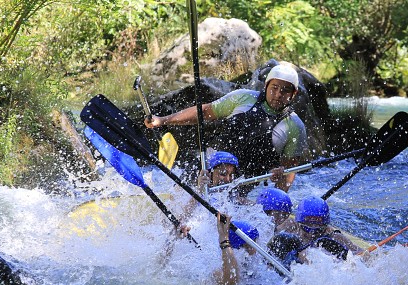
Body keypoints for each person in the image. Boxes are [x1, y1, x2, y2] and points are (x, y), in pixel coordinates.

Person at [144, 63, 308, 194]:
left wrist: (277, 204)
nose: (278, 94)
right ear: (266, 86)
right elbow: (204, 112)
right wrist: (163, 120)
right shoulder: (243, 97)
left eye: (285, 90)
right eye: (274, 88)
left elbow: (288, 174)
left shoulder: (295, 126)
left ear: (294, 93)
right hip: (208, 170)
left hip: (240, 187)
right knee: (186, 197)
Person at [278, 196, 364, 260]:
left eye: (318, 227)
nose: (312, 232)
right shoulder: (289, 226)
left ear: (325, 224)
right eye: (308, 225)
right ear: (299, 221)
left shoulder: (335, 237)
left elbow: (362, 254)